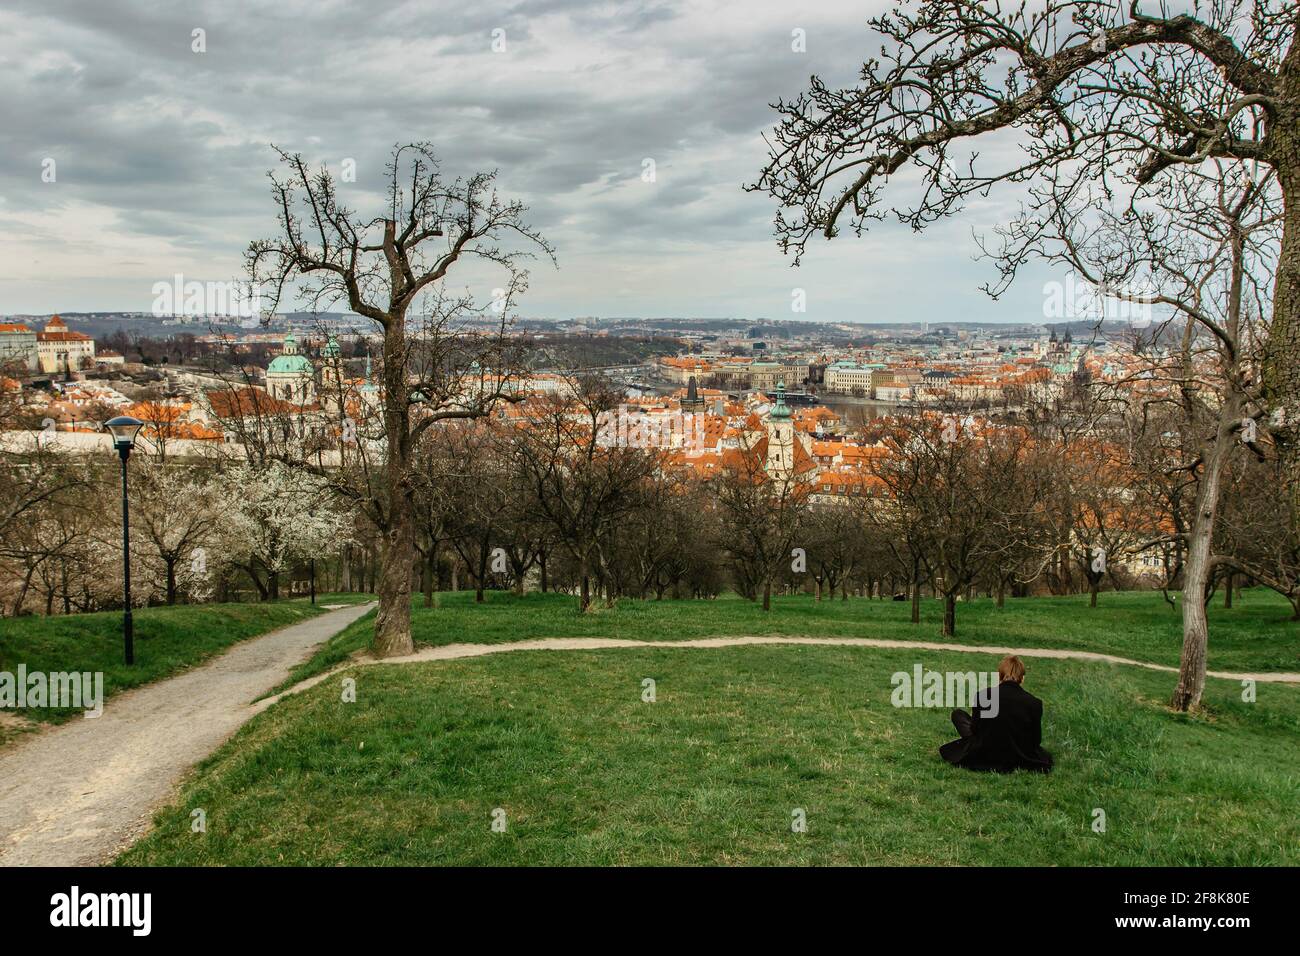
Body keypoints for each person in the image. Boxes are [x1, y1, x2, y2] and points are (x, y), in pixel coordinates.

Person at [939, 655, 1053, 773]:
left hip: (985, 751)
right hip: (1018, 753)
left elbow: (975, 729)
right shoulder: (1034, 703)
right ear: (1022, 678)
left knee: (958, 715)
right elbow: (1035, 740)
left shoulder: (983, 695)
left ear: (999, 676)